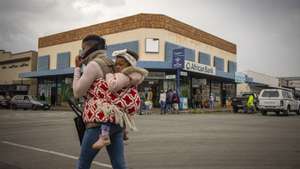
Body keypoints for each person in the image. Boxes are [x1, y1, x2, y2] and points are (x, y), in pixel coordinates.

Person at [73, 35, 136, 169]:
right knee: (118, 164)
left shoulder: (94, 64)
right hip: (116, 121)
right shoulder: (112, 64)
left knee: (83, 162)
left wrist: (77, 69)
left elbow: (77, 92)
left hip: (98, 121)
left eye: (83, 48)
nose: (81, 52)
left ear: (89, 48)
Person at [92, 49, 148, 149]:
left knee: (107, 113)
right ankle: (124, 132)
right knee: (121, 115)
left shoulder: (124, 75)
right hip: (129, 101)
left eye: (121, 64)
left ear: (129, 66)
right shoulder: (133, 75)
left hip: (123, 101)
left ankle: (104, 136)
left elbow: (112, 86)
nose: (117, 66)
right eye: (116, 64)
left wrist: (109, 76)